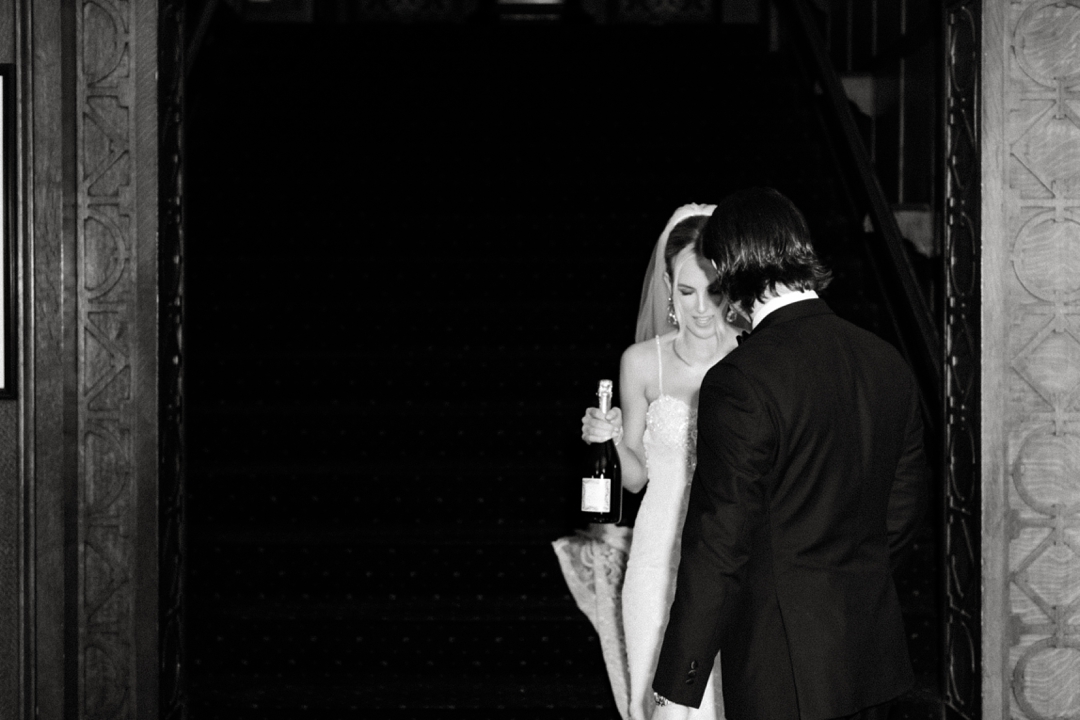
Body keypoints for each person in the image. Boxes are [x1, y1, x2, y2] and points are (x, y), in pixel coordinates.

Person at [650, 188, 928, 720]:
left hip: (784, 664)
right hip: (872, 657)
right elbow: (904, 505)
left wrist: (677, 690)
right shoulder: (885, 361)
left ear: (733, 268)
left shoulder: (740, 380)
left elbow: (719, 542)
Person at [554, 203, 744, 720]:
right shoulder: (641, 363)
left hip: (734, 559)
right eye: (686, 292)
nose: (702, 308)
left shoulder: (755, 358)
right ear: (667, 288)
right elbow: (635, 480)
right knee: (658, 701)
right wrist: (612, 440)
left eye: (715, 290)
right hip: (657, 557)